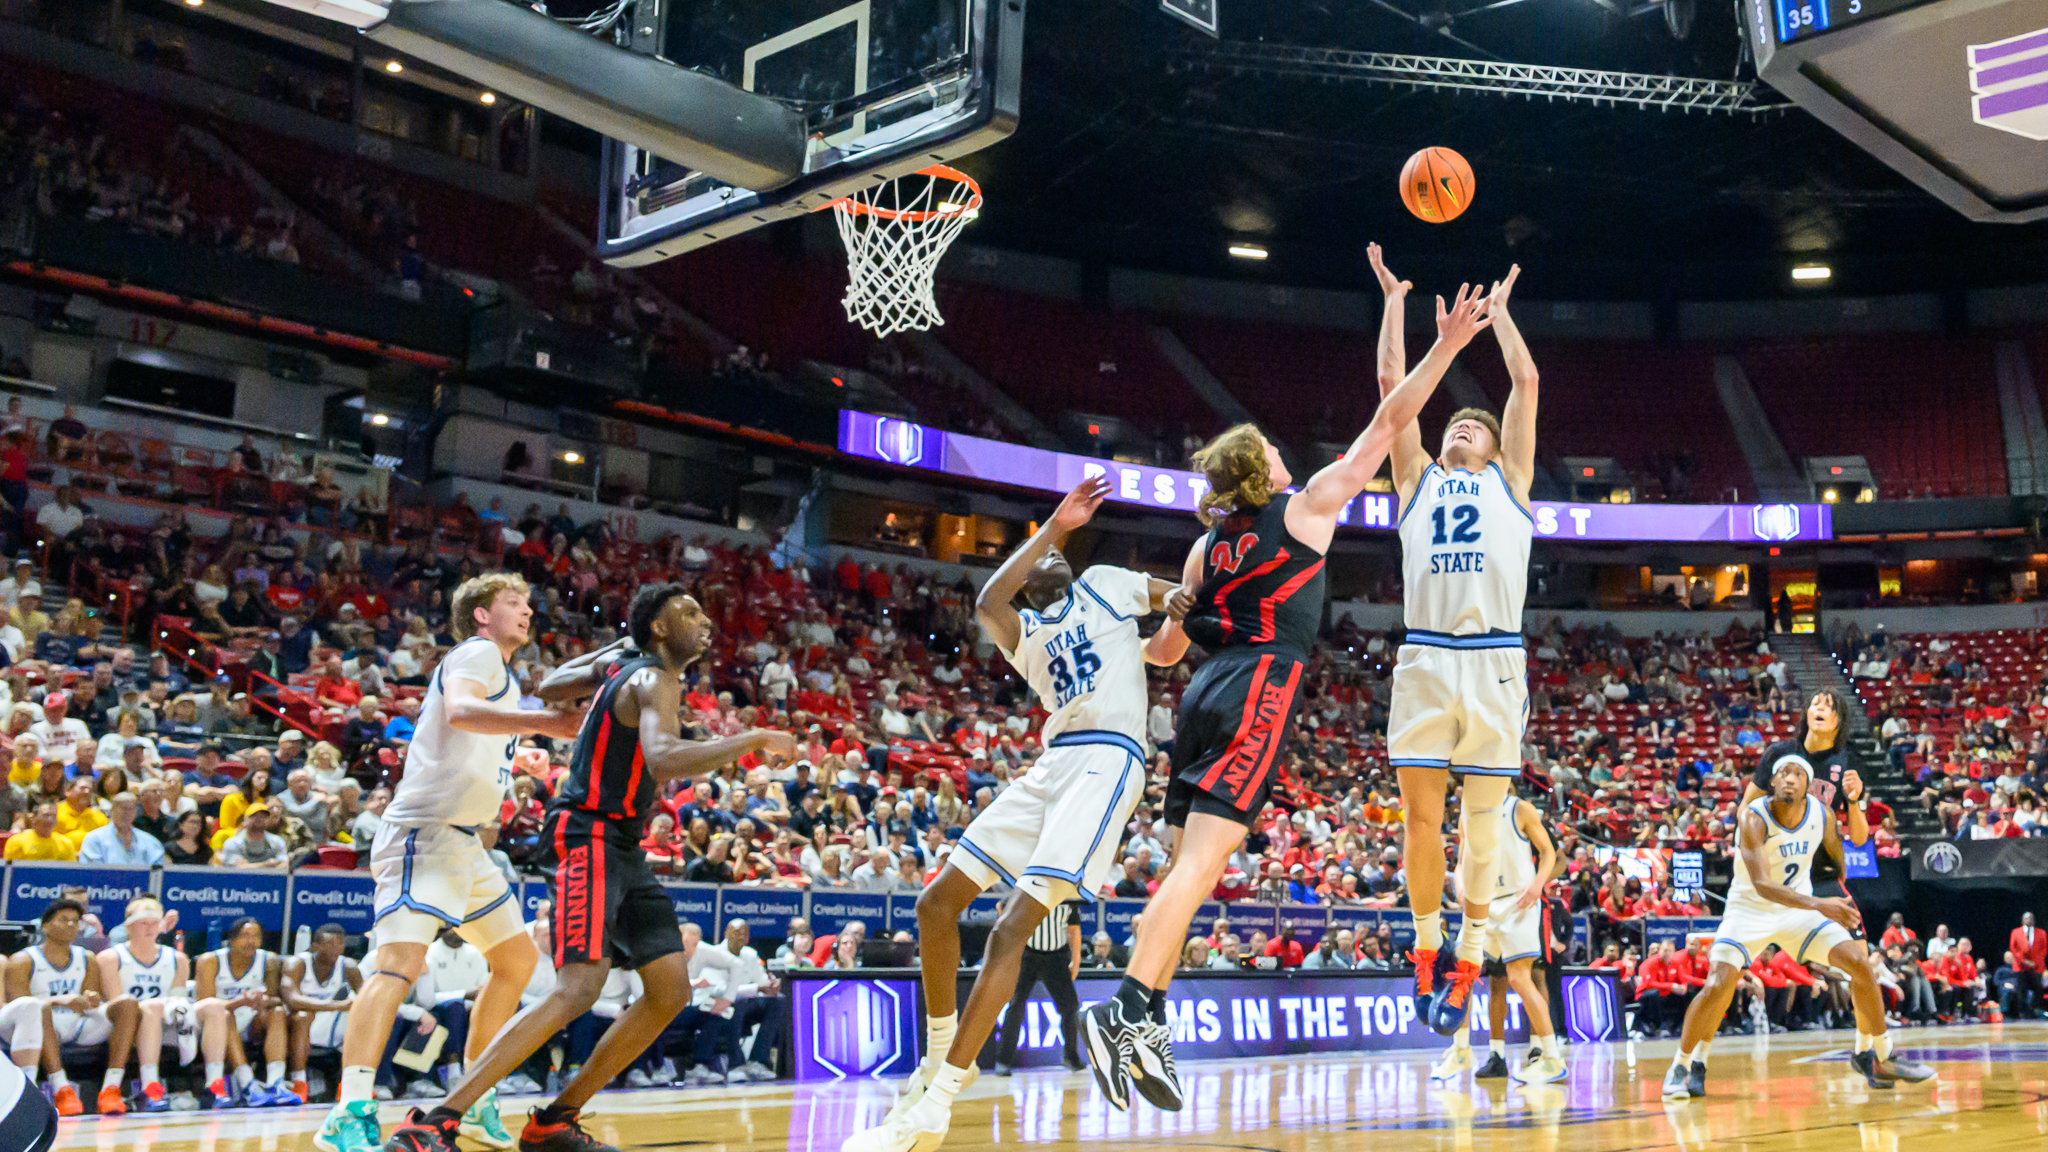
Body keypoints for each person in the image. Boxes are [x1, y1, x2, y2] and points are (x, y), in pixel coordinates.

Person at [1080, 274, 1495, 1114]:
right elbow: (1389, 422)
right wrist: (1447, 347)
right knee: (1201, 867)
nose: (1282, 453)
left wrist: (1148, 627)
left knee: (1187, 870)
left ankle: (1147, 1013)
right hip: (1259, 686)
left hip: (1200, 696)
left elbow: (1166, 652)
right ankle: (1122, 1010)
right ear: (1261, 471)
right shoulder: (1303, 509)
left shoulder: (1206, 548)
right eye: (1270, 449)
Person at [379, 584, 793, 1152]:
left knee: (670, 989)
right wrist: (755, 738)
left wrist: (610, 653)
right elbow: (663, 759)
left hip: (623, 843)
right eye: (689, 611)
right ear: (658, 627)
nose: (704, 620)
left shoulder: (623, 666)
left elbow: (551, 686)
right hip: (587, 835)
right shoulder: (652, 677)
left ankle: (555, 1120)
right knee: (578, 988)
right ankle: (435, 1121)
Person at [846, 477, 1185, 1150]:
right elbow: (986, 600)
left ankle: (938, 1102)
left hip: (1108, 759)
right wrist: (1054, 525)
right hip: (1053, 763)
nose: (1050, 559)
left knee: (1011, 928)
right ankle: (937, 1057)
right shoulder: (1024, 632)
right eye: (1037, 559)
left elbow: (1170, 598)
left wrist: (1177, 603)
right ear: (1028, 581)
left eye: (1056, 553)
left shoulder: (1107, 582)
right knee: (935, 905)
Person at [315, 574, 586, 1152]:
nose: (527, 610)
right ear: (482, 615)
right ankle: (349, 1109)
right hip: (425, 836)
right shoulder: (478, 652)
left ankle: (472, 1097)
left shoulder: (501, 675)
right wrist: (545, 723)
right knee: (397, 966)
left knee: (516, 961)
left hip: (465, 846)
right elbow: (461, 711)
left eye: (528, 603)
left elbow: (467, 735)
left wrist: (520, 757)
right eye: (513, 602)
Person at [1367, 251, 1538, 1036]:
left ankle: (1470, 960)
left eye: (1478, 425)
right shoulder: (1415, 480)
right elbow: (1390, 390)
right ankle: (1427, 951)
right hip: (1427, 658)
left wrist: (1499, 318)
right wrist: (1395, 301)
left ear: (1496, 450)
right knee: (1419, 820)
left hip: (1495, 657)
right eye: (1455, 424)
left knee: (1483, 826)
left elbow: (1524, 383)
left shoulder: (1512, 482)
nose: (1464, 425)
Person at [1661, 757, 1935, 1099]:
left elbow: (1837, 855)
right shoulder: (1753, 817)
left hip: (1799, 913)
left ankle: (1883, 1055)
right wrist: (1821, 904)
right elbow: (1763, 885)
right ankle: (1683, 1064)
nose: (1790, 779)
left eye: (1798, 774)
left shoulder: (1822, 815)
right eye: (1783, 773)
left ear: (1809, 786)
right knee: (1718, 985)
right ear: (1772, 783)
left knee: (1859, 964)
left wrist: (1835, 889)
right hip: (1750, 911)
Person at [1429, 786, 1567, 1082]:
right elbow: (1461, 860)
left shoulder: (1520, 808)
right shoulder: (1468, 811)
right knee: (1462, 974)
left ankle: (1551, 1057)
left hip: (1518, 902)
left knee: (1520, 979)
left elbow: (1549, 852)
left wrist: (1537, 884)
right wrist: (1460, 886)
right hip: (1482, 903)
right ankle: (1461, 1050)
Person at [0, 901, 109, 1116]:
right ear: (45, 926)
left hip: (74, 1023)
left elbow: (91, 998)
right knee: (36, 1008)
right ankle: (51, 1088)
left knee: (126, 1006)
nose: (70, 925)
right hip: (34, 1024)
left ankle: (114, 1088)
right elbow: (19, 1007)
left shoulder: (86, 958)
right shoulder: (23, 960)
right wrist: (58, 1001)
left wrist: (90, 999)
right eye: (64, 920)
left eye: (75, 921)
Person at [94, 897, 190, 1114]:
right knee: (146, 1009)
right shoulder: (110, 957)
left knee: (209, 1009)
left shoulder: (178, 959)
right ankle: (150, 1086)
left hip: (164, 1022)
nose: (149, 928)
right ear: (128, 926)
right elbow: (118, 1004)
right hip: (122, 1026)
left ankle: (215, 1086)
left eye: (154, 922)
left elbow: (178, 1001)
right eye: (143, 922)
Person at [194, 917, 295, 1107]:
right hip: (215, 1025)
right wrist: (239, 1002)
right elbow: (205, 1004)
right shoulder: (210, 961)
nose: (251, 941)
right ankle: (247, 1083)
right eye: (245, 936)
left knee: (277, 1011)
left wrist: (264, 1000)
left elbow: (276, 998)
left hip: (251, 1021)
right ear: (232, 940)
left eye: (256, 936)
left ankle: (276, 1083)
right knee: (225, 1014)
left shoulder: (269, 960)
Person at [991, 894, 1085, 1075]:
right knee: (1016, 1005)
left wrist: (1076, 961)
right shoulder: (1030, 889)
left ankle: (1071, 1057)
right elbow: (1001, 906)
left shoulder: (1068, 895)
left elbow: (1074, 930)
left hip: (1057, 957)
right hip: (1027, 954)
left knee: (1070, 1007)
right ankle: (1003, 1061)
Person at [285, 925, 360, 1103]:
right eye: (330, 944)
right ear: (315, 946)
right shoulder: (297, 964)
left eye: (340, 944)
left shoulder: (349, 966)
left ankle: (350, 1085)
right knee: (304, 1016)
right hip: (293, 1024)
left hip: (328, 1024)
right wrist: (335, 1005)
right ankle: (299, 1083)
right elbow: (292, 1000)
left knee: (362, 1019)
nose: (336, 948)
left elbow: (365, 999)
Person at [2009, 912, 2044, 1019]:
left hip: (2036, 967)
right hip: (2021, 966)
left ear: (2034, 921)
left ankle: (2033, 1011)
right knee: (2021, 990)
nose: (2028, 920)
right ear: (2022, 920)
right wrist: (2024, 961)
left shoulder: (2041, 933)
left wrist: (2035, 962)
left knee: (2037, 989)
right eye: (2026, 918)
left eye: (2030, 918)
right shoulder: (2016, 932)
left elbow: (2043, 949)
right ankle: (2022, 1012)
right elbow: (2013, 948)